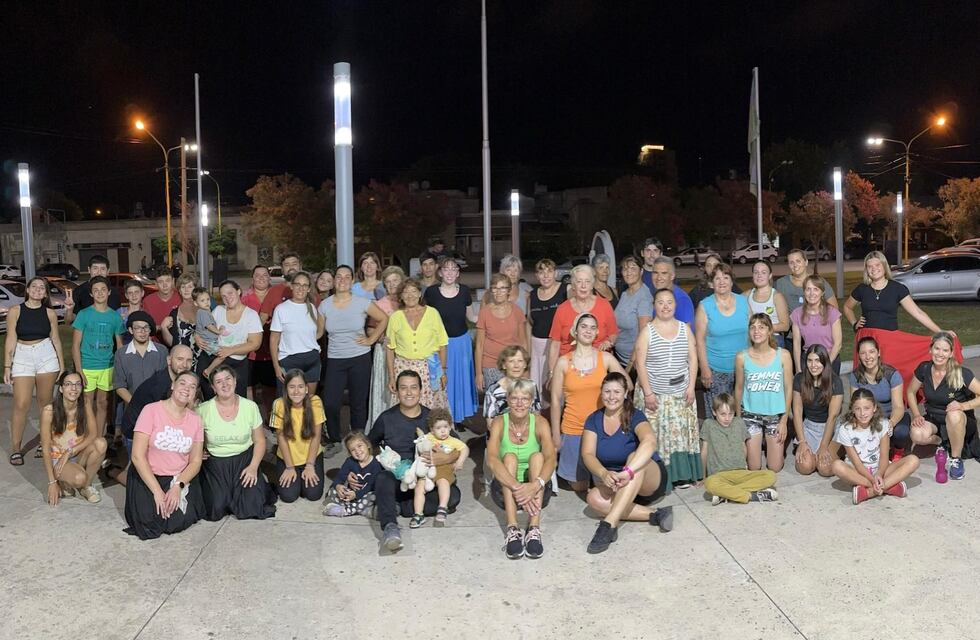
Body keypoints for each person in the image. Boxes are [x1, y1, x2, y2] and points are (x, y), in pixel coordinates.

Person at [369, 370, 462, 552]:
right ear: (396, 391)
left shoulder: (431, 418)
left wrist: (446, 457)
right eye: (403, 388)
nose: (409, 393)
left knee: (454, 496)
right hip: (399, 478)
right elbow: (368, 444)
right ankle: (390, 527)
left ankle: (398, 507)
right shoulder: (386, 418)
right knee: (382, 480)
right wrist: (384, 461)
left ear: (421, 390)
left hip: (425, 480)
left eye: (413, 388)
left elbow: (456, 445)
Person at [581, 372, 673, 553]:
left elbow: (650, 441)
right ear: (601, 393)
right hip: (618, 484)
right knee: (593, 498)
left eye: (616, 392)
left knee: (633, 457)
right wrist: (603, 473)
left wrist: (628, 472)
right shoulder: (593, 420)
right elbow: (588, 454)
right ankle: (656, 515)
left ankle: (609, 524)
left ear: (625, 394)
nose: (611, 396)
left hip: (646, 478)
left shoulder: (635, 416)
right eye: (607, 392)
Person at [843, 251, 952, 381]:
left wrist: (940, 331)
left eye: (877, 265)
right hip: (866, 340)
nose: (874, 269)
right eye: (870, 266)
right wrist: (854, 323)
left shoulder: (897, 288)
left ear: (884, 266)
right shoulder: (862, 289)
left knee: (889, 376)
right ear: (866, 270)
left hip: (889, 341)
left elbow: (918, 313)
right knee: (866, 378)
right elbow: (847, 307)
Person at [124, 371, 206, 540]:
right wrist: (157, 491)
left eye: (192, 387)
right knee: (149, 524)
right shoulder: (151, 410)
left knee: (174, 523)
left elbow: (196, 461)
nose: (186, 389)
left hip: (175, 477)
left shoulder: (196, 420)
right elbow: (138, 456)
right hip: (148, 475)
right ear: (172, 385)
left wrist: (178, 486)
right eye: (182, 383)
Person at [550, 313, 627, 491]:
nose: (588, 330)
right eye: (583, 326)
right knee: (579, 486)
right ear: (575, 331)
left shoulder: (605, 358)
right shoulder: (563, 362)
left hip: (601, 430)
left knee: (604, 483)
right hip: (573, 428)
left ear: (597, 333)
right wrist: (555, 434)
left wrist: (613, 395)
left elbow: (626, 385)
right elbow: (555, 400)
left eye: (593, 327)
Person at [634, 287, 700, 487]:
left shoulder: (684, 329)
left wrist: (690, 387)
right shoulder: (647, 332)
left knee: (680, 437)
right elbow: (640, 363)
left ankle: (682, 475)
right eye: (660, 302)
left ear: (675, 305)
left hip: (681, 393)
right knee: (658, 438)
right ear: (654, 306)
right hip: (655, 396)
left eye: (669, 302)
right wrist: (648, 393)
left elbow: (693, 359)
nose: (665, 306)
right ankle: (660, 479)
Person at [486, 378, 557, 559]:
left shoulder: (540, 422)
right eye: (514, 398)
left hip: (536, 490)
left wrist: (534, 486)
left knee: (538, 457)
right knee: (508, 458)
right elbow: (492, 460)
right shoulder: (499, 422)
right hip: (506, 491)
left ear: (532, 401)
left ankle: (534, 528)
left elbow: (551, 458)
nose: (519, 403)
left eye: (525, 398)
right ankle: (512, 528)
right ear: (507, 399)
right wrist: (518, 489)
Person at [320, 266, 389, 450]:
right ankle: (335, 439)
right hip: (335, 359)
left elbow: (384, 319)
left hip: (359, 358)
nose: (342, 280)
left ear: (352, 281)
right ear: (334, 280)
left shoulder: (361, 302)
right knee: (330, 403)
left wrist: (371, 340)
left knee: (358, 403)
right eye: (339, 277)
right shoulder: (324, 305)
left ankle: (358, 440)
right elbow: (318, 332)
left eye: (347, 277)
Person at [197, 365, 276, 521]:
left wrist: (253, 467)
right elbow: (193, 438)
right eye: (219, 382)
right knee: (215, 508)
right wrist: (197, 452)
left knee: (251, 507)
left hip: (244, 461)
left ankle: (259, 482)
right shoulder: (202, 410)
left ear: (234, 381)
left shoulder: (250, 407)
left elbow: (260, 441)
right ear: (213, 387)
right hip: (216, 464)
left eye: (228, 379)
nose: (225, 384)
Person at [5, 276, 64, 466]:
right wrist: (8, 365)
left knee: (44, 404)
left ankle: (44, 442)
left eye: (42, 288)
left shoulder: (49, 313)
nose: (38, 290)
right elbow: (11, 338)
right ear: (28, 290)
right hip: (23, 356)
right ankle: (16, 448)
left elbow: (55, 339)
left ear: (45, 293)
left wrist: (62, 364)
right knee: (21, 403)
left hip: (45, 354)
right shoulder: (15, 311)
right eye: (35, 287)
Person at [907, 332, 980, 481]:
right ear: (930, 349)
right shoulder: (924, 368)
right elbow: (910, 391)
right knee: (917, 434)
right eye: (937, 348)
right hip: (934, 418)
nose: (940, 354)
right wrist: (916, 414)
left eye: (945, 350)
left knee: (953, 414)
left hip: (958, 421)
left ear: (951, 353)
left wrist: (963, 405)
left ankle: (956, 459)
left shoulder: (961, 373)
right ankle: (942, 443)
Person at [831, 388, 920, 504]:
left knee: (914, 460)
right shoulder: (845, 429)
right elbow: (857, 463)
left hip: (881, 469)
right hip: (858, 472)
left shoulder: (883, 424)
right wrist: (872, 480)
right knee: (836, 466)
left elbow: (884, 456)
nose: (862, 413)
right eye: (858, 409)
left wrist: (879, 473)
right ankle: (885, 487)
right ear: (852, 409)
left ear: (874, 408)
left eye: (866, 408)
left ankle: (869, 492)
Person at [111, 311, 168, 483]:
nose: (142, 331)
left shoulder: (161, 351)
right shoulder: (122, 354)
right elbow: (119, 385)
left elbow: (165, 382)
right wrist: (137, 404)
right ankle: (115, 472)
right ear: (130, 330)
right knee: (136, 459)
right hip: (134, 412)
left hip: (158, 412)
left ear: (150, 330)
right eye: (137, 328)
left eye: (145, 328)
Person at [734, 314, 793, 472]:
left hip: (774, 416)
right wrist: (738, 420)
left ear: (770, 331)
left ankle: (773, 448)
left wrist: (784, 421)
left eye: (761, 327)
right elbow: (739, 388)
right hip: (750, 416)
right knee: (754, 467)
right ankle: (755, 447)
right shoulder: (742, 357)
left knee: (775, 467)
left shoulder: (783, 355)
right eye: (752, 327)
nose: (756, 331)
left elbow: (788, 389)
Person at [424, 256, 478, 423]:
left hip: (461, 343)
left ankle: (459, 418)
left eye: (453, 269)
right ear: (440, 273)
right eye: (445, 269)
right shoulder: (431, 293)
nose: (449, 272)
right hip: (439, 345)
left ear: (457, 273)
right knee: (442, 381)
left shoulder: (464, 291)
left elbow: (472, 317)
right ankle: (443, 416)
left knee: (460, 382)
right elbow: (424, 318)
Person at [40, 371, 107, 505]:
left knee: (101, 443)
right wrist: (52, 482)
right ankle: (64, 481)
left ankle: (86, 487)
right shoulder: (49, 411)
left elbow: (93, 434)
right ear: (61, 388)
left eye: (77, 384)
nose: (74, 388)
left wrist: (70, 452)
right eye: (68, 384)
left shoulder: (85, 402)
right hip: (58, 460)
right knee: (79, 478)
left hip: (76, 453)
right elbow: (45, 449)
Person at [699, 393, 778, 506]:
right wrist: (703, 476)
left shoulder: (738, 422)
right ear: (714, 412)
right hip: (719, 475)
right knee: (710, 484)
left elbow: (743, 447)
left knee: (771, 476)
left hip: (741, 472)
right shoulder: (708, 424)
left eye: (730, 414)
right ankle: (751, 496)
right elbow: (704, 451)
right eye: (723, 414)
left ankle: (725, 494)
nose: (727, 418)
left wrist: (744, 466)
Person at [385, 278, 449, 412]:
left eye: (414, 291)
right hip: (403, 369)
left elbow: (442, 345)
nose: (410, 295)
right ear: (401, 296)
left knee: (430, 411)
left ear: (420, 294)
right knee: (405, 408)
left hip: (429, 370)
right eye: (406, 292)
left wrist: (442, 372)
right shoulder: (395, 317)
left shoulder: (433, 313)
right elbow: (390, 350)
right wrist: (391, 377)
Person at [71, 275, 125, 437]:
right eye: (96, 290)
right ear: (91, 294)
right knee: (87, 403)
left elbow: (120, 345)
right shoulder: (84, 314)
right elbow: (75, 345)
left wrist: (120, 369)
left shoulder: (115, 317)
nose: (100, 293)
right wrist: (79, 370)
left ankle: (98, 439)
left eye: (103, 290)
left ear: (109, 292)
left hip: (107, 367)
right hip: (87, 366)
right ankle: (86, 437)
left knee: (103, 403)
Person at [695, 262, 750, 418]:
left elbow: (753, 333)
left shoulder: (743, 302)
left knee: (742, 413)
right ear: (712, 283)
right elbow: (699, 340)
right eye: (717, 278)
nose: (722, 282)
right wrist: (704, 369)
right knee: (719, 416)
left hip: (743, 369)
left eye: (726, 277)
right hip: (716, 371)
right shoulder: (705, 306)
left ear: (732, 281)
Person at [121, 345, 195, 455]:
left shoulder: (178, 382)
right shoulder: (160, 386)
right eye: (180, 359)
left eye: (189, 360)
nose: (185, 365)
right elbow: (165, 422)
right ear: (169, 360)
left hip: (150, 430)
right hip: (135, 433)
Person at [547, 265, 618, 375]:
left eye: (587, 281)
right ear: (573, 285)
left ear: (592, 285)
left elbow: (613, 333)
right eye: (579, 281)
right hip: (569, 367)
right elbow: (555, 344)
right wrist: (552, 373)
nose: (583, 286)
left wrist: (609, 342)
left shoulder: (604, 305)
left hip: (598, 365)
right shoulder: (562, 309)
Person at [848, 336, 912, 457]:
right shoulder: (855, 376)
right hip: (868, 417)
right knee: (847, 427)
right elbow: (854, 406)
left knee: (900, 432)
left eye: (871, 352)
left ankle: (898, 450)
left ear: (878, 353)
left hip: (891, 417)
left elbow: (898, 407)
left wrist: (890, 424)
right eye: (863, 353)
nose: (868, 357)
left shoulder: (892, 374)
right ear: (859, 356)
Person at [270, 369, 326, 503]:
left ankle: (303, 476)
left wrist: (310, 465)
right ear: (286, 389)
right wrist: (289, 467)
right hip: (288, 457)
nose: (296, 392)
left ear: (306, 389)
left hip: (310, 456)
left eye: (300, 387)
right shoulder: (279, 404)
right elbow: (281, 438)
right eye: (292, 387)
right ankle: (295, 477)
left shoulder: (315, 402)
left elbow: (316, 436)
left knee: (313, 495)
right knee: (288, 496)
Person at [409, 408, 470, 528]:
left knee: (443, 482)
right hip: (428, 469)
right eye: (438, 428)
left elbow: (465, 448)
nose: (443, 431)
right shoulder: (429, 437)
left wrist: (460, 462)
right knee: (419, 487)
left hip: (444, 468)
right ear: (432, 429)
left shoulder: (452, 441)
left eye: (445, 427)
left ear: (450, 427)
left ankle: (442, 507)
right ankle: (418, 514)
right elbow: (420, 441)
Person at [791, 345, 843, 476]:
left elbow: (833, 417)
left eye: (818, 360)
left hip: (830, 428)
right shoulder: (799, 379)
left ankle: (841, 451)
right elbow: (797, 412)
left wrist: (824, 446)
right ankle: (811, 454)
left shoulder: (835, 381)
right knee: (806, 467)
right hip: (809, 426)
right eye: (810, 360)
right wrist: (802, 442)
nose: (813, 365)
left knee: (824, 469)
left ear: (825, 362)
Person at [270, 271, 325, 395]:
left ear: (309, 288)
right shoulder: (281, 309)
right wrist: (276, 367)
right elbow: (274, 340)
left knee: (309, 402)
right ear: (292, 286)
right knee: (287, 405)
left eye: (305, 285)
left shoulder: (312, 308)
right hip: (289, 361)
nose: (301, 288)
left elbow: (313, 334)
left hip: (312, 361)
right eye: (298, 284)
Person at [207, 280, 263, 398]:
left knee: (238, 399)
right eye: (223, 296)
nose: (227, 298)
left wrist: (230, 350)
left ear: (238, 291)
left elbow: (255, 343)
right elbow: (206, 332)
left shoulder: (251, 315)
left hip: (238, 364)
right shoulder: (218, 311)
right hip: (217, 361)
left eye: (230, 293)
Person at [475, 273, 528, 392]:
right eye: (495, 288)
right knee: (495, 405)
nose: (499, 292)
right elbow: (479, 345)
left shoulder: (517, 311)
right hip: (491, 365)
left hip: (514, 365)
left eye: (502, 288)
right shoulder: (485, 312)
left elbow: (523, 343)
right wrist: (479, 373)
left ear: (508, 290)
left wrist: (525, 369)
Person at [367, 266, 404, 430]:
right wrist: (381, 337)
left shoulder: (409, 301)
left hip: (405, 353)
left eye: (395, 280)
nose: (392, 284)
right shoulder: (379, 304)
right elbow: (369, 329)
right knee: (386, 391)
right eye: (388, 282)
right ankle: (383, 427)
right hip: (385, 351)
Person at [526, 259, 565, 400]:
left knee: (555, 386)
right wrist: (529, 351)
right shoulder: (532, 295)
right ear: (536, 276)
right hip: (537, 346)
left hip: (557, 345)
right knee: (537, 387)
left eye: (549, 271)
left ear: (555, 273)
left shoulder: (565, 290)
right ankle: (538, 417)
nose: (545, 276)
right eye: (541, 272)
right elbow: (529, 322)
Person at [241, 265, 276, 421]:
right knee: (250, 387)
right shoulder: (245, 299)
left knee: (270, 388)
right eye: (257, 275)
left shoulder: (277, 295)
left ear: (269, 278)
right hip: (251, 352)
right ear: (252, 278)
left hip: (272, 350)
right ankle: (251, 419)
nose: (261, 278)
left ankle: (271, 418)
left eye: (265, 275)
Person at [323, 432, 384, 517]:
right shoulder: (350, 461)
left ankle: (346, 510)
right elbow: (339, 477)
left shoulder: (376, 464)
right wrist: (338, 486)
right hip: (351, 495)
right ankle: (362, 510)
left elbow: (370, 486)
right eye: (353, 450)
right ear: (349, 453)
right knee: (332, 490)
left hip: (365, 495)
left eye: (359, 446)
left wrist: (356, 495)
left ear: (368, 445)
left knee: (373, 496)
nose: (357, 451)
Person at [790, 275, 842, 373]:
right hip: (808, 359)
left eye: (816, 289)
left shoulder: (832, 313)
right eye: (808, 289)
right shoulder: (797, 314)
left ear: (822, 293)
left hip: (829, 358)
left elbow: (838, 344)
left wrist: (826, 366)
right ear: (804, 292)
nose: (811, 293)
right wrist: (798, 368)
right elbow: (796, 343)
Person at [483, 346, 542, 431]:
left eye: (520, 361)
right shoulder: (493, 391)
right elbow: (490, 424)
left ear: (525, 365)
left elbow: (536, 416)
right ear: (504, 365)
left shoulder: (531, 386)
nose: (516, 365)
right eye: (511, 361)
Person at [613, 255, 653, 369]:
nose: (628, 272)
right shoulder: (625, 293)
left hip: (634, 364)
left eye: (633, 268)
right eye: (625, 269)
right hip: (620, 359)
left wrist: (631, 364)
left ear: (641, 271)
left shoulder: (644, 297)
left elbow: (643, 336)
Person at [774, 248, 838, 315]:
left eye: (798, 261)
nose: (795, 265)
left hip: (816, 324)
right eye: (791, 262)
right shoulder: (781, 283)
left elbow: (834, 310)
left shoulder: (818, 281)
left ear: (806, 262)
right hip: (791, 324)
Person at [744, 261, 790, 347]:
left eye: (763, 272)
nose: (759, 275)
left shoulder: (777, 296)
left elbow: (785, 326)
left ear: (770, 275)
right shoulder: (746, 295)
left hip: (773, 339)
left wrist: (762, 328)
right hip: (753, 339)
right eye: (756, 272)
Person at [65, 254, 121, 321]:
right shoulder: (79, 291)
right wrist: (69, 310)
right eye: (95, 268)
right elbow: (68, 321)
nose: (99, 272)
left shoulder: (115, 293)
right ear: (89, 269)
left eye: (102, 269)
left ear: (108, 271)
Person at [160, 274, 200, 360]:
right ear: (179, 291)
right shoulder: (174, 313)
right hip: (182, 360)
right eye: (183, 287)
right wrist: (164, 328)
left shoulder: (204, 310)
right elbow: (171, 343)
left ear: (195, 289)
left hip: (202, 359)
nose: (186, 290)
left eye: (190, 286)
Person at [647, 257, 695, 325]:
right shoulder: (656, 294)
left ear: (672, 276)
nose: (658, 277)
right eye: (655, 273)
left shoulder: (681, 299)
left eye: (664, 273)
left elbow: (685, 331)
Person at [259, 253, 304, 324]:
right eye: (287, 265)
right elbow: (263, 317)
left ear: (300, 267)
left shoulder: (310, 290)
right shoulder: (274, 291)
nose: (291, 267)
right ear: (282, 269)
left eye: (294, 264)